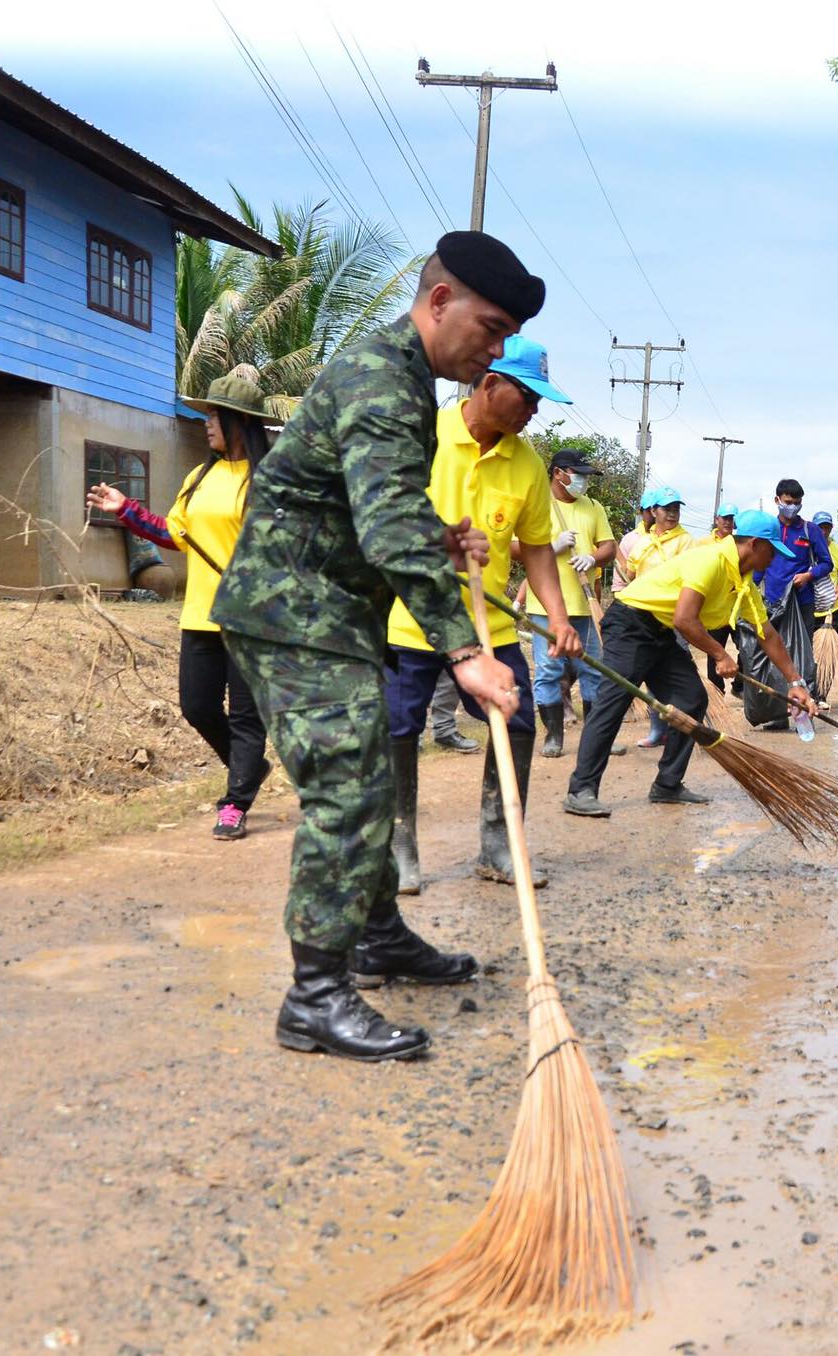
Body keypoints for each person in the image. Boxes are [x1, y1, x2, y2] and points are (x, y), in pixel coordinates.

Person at [212, 229, 535, 1064]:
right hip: (294, 614)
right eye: (489, 327)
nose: (496, 350)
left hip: (323, 613)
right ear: (438, 302)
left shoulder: (395, 377)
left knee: (368, 776)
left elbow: (366, 504)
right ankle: (314, 998)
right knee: (349, 792)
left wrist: (442, 535)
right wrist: (467, 652)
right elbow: (385, 526)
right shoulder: (382, 381)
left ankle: (377, 935)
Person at [384, 336, 581, 898]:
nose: (535, 411)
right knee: (399, 727)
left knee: (517, 723)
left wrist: (560, 617)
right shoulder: (426, 435)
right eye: (529, 397)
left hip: (487, 626)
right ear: (490, 384)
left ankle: (499, 843)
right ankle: (400, 846)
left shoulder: (526, 464)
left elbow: (538, 548)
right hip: (409, 619)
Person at [88, 369, 274, 841]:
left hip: (252, 620)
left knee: (247, 716)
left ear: (241, 422)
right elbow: (175, 535)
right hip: (201, 615)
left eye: (215, 415)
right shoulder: (198, 476)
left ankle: (235, 802)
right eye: (205, 414)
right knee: (197, 706)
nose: (206, 422)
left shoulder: (268, 481)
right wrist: (125, 509)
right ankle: (248, 769)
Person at [564, 509, 818, 818]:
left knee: (691, 699)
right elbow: (685, 619)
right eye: (772, 551)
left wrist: (795, 682)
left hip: (661, 630)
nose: (775, 559)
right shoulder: (709, 561)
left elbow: (767, 634)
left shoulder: (744, 582)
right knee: (613, 702)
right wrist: (720, 654)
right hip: (631, 622)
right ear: (754, 544)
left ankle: (667, 785)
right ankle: (581, 789)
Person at [524, 447, 616, 759]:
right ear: (559, 473)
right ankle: (553, 735)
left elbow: (609, 547)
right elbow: (513, 547)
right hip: (545, 607)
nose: (583, 482)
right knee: (549, 670)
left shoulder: (593, 507)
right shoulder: (538, 505)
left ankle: (596, 737)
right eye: (578, 475)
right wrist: (551, 547)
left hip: (585, 604)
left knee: (593, 671)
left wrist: (593, 556)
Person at [625, 488, 698, 749]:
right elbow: (630, 573)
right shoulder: (643, 542)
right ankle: (658, 731)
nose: (673, 514)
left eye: (676, 509)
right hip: (644, 619)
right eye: (667, 509)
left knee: (677, 676)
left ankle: (684, 731)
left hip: (673, 618)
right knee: (651, 677)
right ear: (653, 512)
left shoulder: (686, 541)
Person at [759, 480, 833, 664]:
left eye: (796, 503)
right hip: (771, 603)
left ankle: (801, 690)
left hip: (802, 604)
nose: (792, 507)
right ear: (777, 500)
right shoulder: (768, 529)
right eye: (788, 502)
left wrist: (809, 575)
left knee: (801, 654)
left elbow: (826, 563)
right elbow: (757, 566)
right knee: (770, 654)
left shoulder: (811, 530)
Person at [812, 510, 838, 635]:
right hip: (808, 611)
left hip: (833, 612)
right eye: (820, 528)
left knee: (832, 653)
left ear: (831, 528)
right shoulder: (804, 549)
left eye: (827, 527)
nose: (823, 532)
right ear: (813, 528)